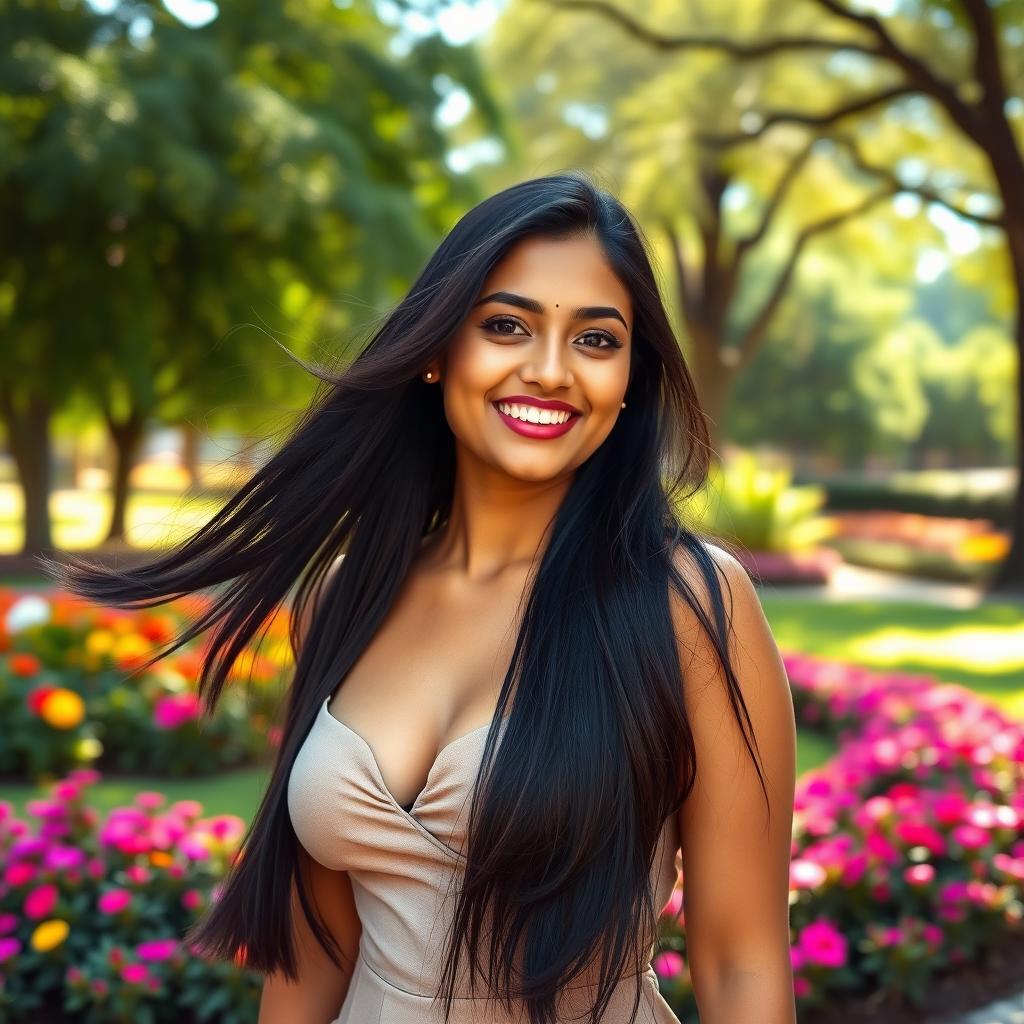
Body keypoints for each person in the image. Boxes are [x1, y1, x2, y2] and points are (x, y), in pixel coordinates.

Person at [45, 171, 797, 1023]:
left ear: (630, 380)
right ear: (440, 351)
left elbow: (741, 965)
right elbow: (314, 958)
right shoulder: (348, 594)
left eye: (596, 340)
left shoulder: (692, 604)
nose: (550, 371)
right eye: (506, 326)